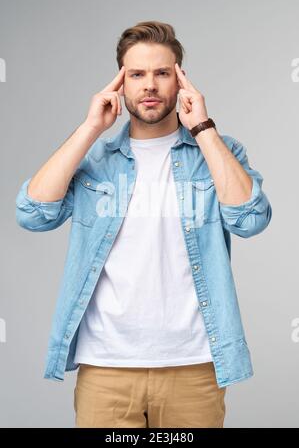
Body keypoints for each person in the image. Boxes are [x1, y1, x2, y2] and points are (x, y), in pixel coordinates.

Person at [15, 21, 272, 428]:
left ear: (181, 80)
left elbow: (251, 218)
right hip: (106, 368)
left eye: (162, 73)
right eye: (136, 74)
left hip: (195, 367)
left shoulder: (218, 151)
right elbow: (32, 212)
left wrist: (203, 128)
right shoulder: (95, 161)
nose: (149, 85)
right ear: (120, 83)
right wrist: (89, 129)